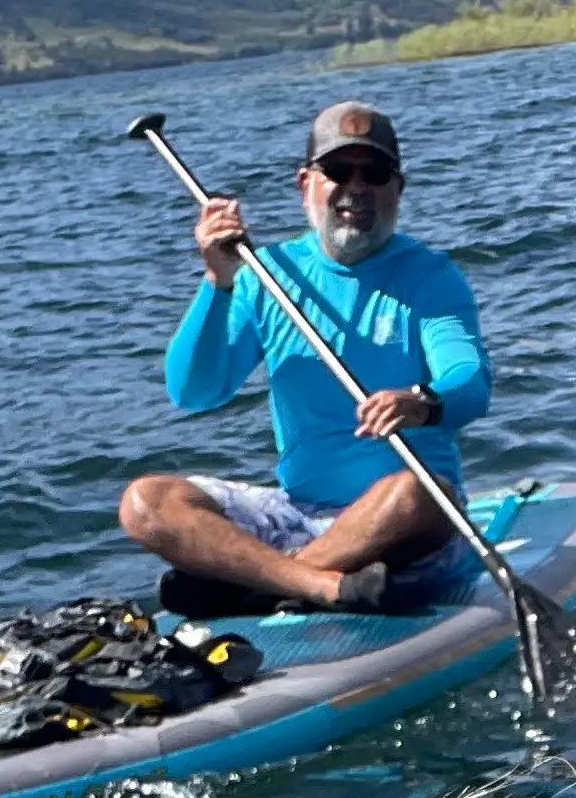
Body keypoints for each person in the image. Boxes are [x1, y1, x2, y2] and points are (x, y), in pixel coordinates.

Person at [119, 102, 491, 616]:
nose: (356, 188)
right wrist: (218, 282)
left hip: (402, 521)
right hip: (300, 513)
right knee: (147, 501)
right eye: (338, 171)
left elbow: (468, 381)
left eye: (375, 173)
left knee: (418, 492)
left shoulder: (430, 277)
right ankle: (317, 585)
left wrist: (422, 401)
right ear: (306, 183)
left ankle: (259, 586)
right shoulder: (265, 273)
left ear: (398, 188)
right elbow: (194, 390)